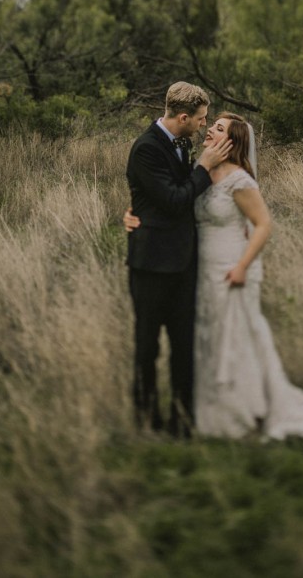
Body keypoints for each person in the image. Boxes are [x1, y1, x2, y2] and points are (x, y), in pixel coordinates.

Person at [126, 111, 303, 441]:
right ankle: (203, 410)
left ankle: (245, 407)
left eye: (216, 128)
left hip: (230, 264)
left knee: (234, 335)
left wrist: (242, 265)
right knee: (207, 337)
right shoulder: (199, 171)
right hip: (197, 266)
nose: (208, 131)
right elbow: (171, 197)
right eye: (209, 124)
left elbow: (264, 225)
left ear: (232, 141)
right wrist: (133, 213)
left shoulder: (240, 179)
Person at [125, 82, 232, 437]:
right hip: (151, 265)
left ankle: (182, 422)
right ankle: (145, 418)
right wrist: (203, 167)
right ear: (183, 117)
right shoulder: (146, 149)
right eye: (201, 119)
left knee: (184, 346)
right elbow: (172, 199)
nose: (205, 124)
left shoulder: (181, 143)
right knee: (148, 345)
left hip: (185, 264)